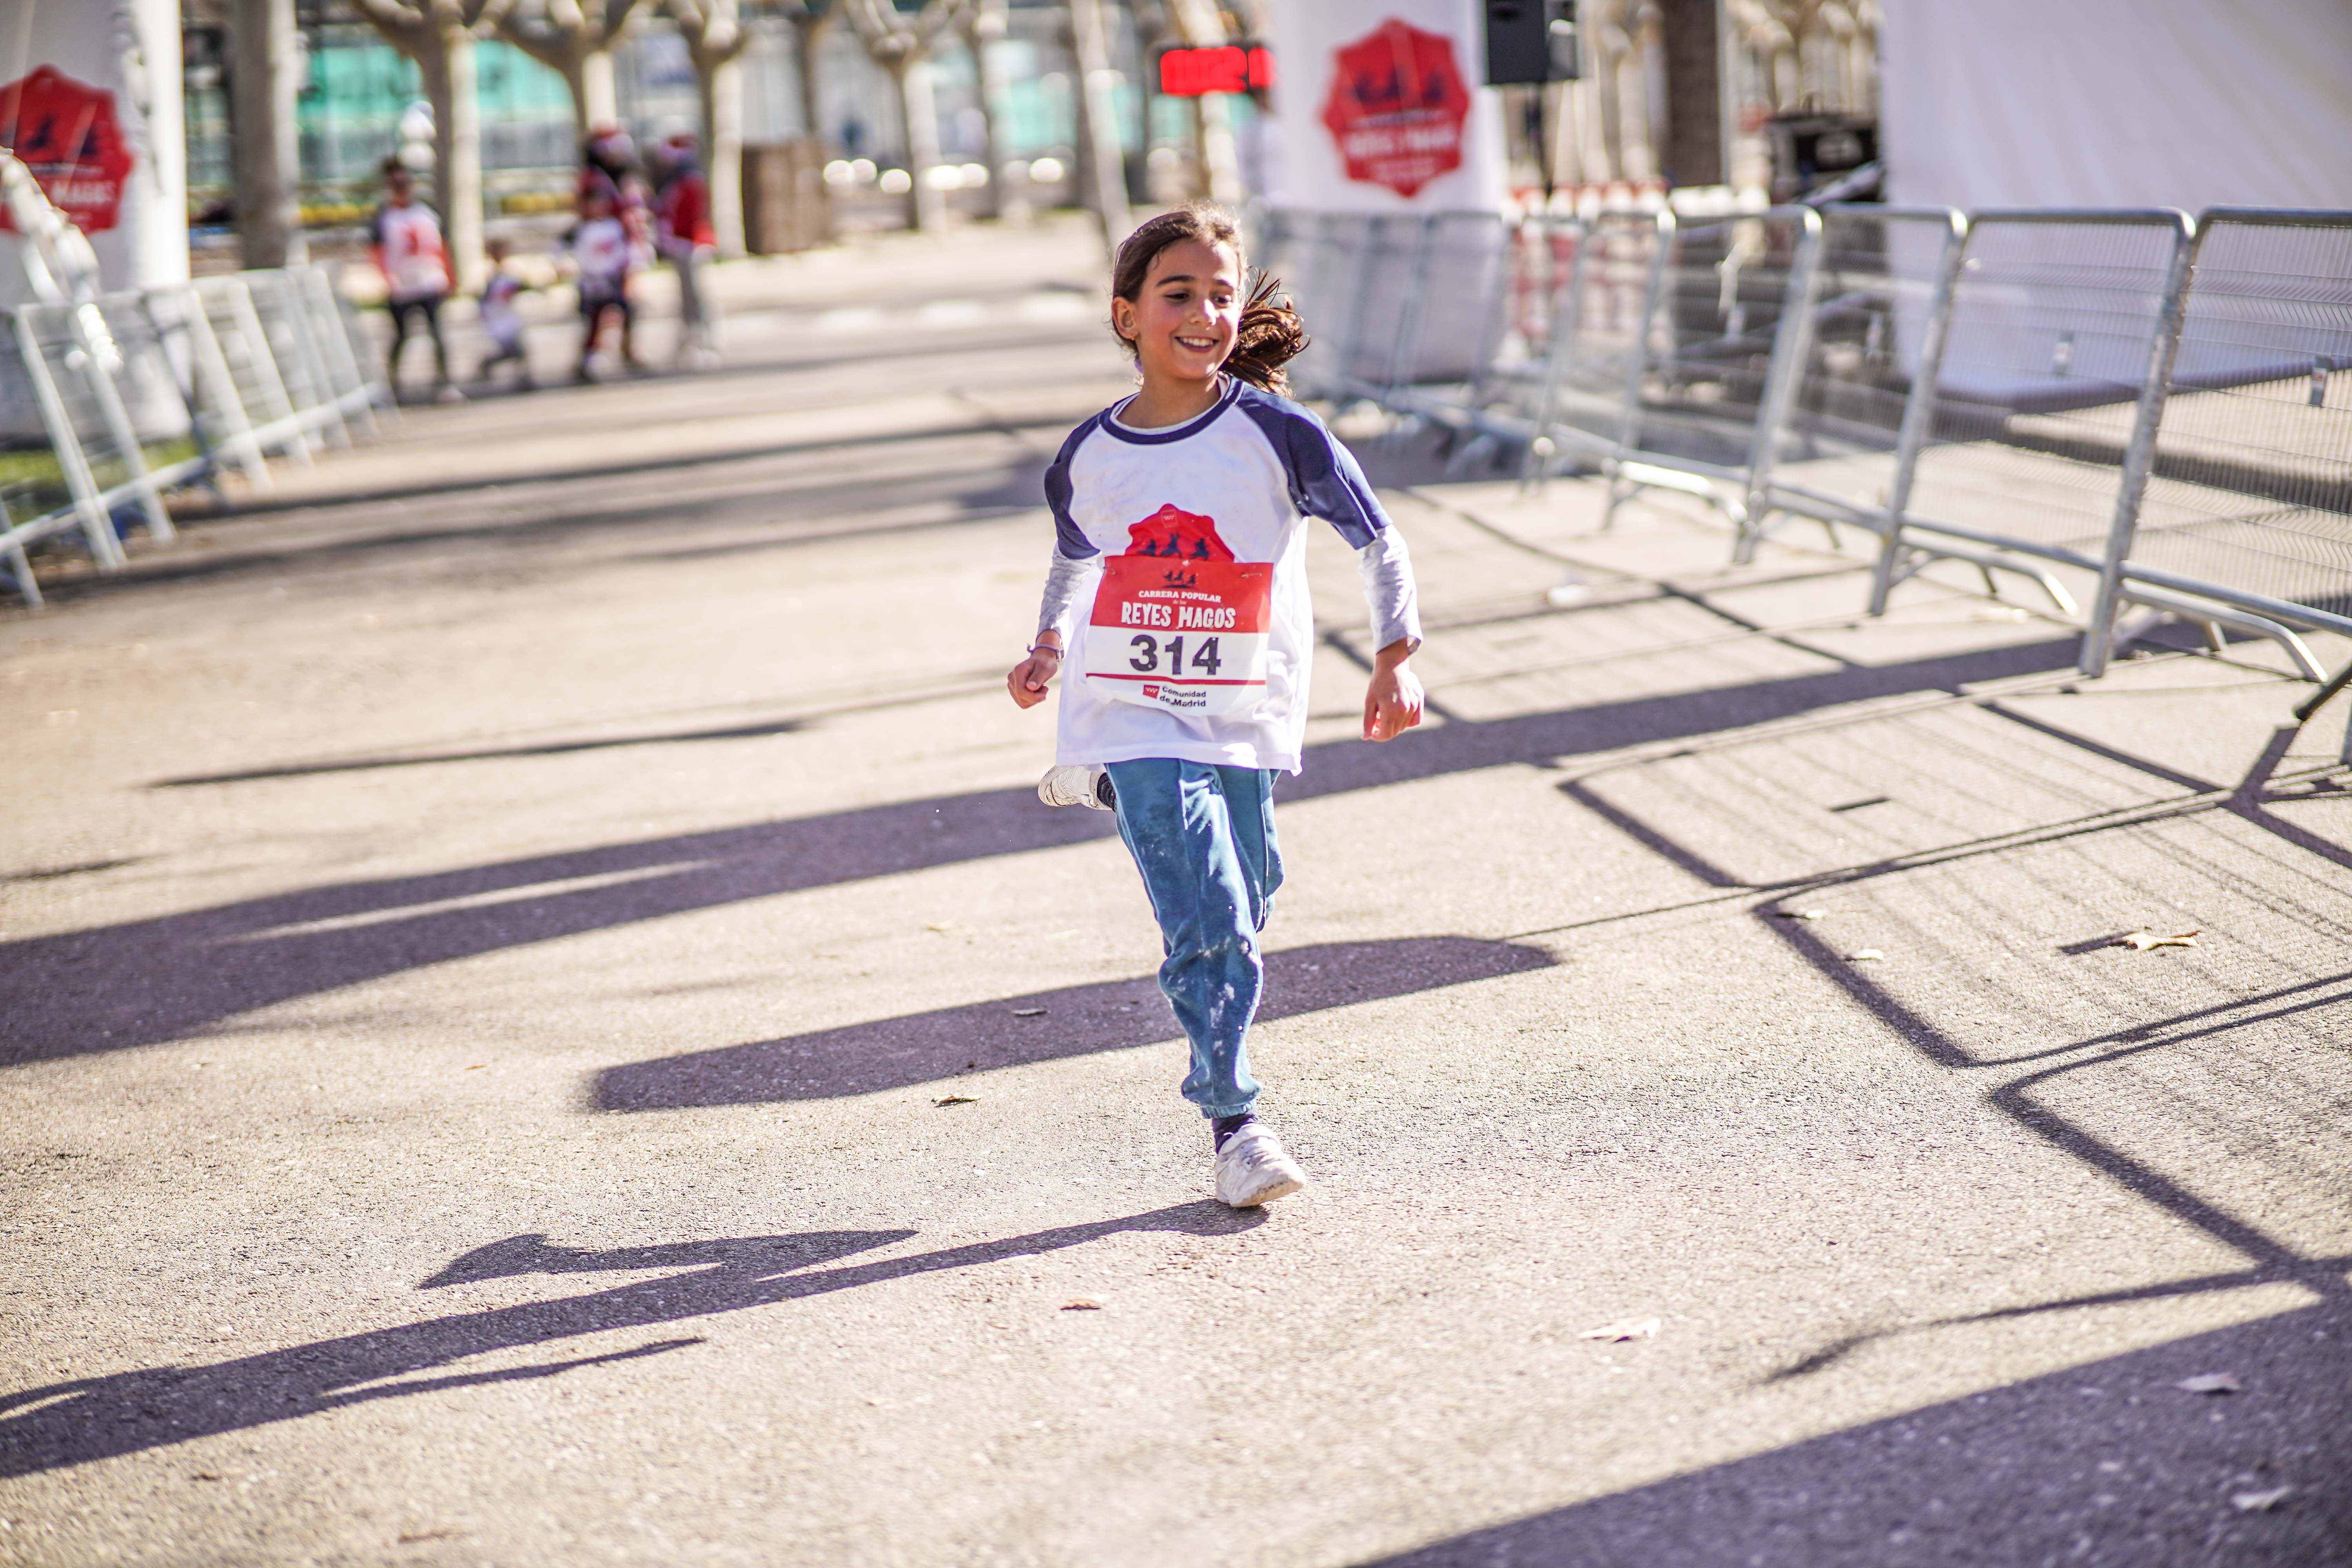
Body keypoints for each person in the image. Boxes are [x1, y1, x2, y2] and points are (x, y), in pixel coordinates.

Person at [1005, 203, 1425, 1209]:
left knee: (1251, 892)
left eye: (1221, 294)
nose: (1203, 312)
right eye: (1177, 293)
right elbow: (1075, 560)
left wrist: (1397, 655)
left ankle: (1144, 827)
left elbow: (1379, 542)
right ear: (1127, 315)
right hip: (1126, 709)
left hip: (1244, 712)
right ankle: (1235, 1119)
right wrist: (1051, 645)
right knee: (1211, 913)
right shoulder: (1087, 454)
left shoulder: (1277, 433)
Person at [368, 157, 462, 404]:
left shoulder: (426, 212)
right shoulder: (385, 217)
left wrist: (451, 274)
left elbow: (442, 244)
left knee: (437, 334)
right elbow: (376, 250)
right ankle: (393, 382)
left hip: (429, 281)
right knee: (401, 336)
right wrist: (386, 279)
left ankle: (445, 382)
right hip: (402, 286)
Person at [651, 129, 719, 367]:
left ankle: (706, 343)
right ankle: (688, 343)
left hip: (691, 245)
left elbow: (693, 216)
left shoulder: (690, 179)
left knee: (696, 297)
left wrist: (683, 240)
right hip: (680, 245)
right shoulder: (675, 180)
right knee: (686, 298)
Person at [568, 183, 637, 383]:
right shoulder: (581, 229)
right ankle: (587, 358)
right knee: (593, 321)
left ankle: (627, 350)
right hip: (591, 281)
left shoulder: (614, 226)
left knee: (626, 312)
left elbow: (623, 253)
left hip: (611, 278)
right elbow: (568, 252)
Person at [475, 236, 533, 389]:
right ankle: (489, 364)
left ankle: (523, 378)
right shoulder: (489, 274)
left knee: (520, 350)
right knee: (512, 351)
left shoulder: (510, 272)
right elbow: (485, 297)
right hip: (497, 318)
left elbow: (520, 286)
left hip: (509, 317)